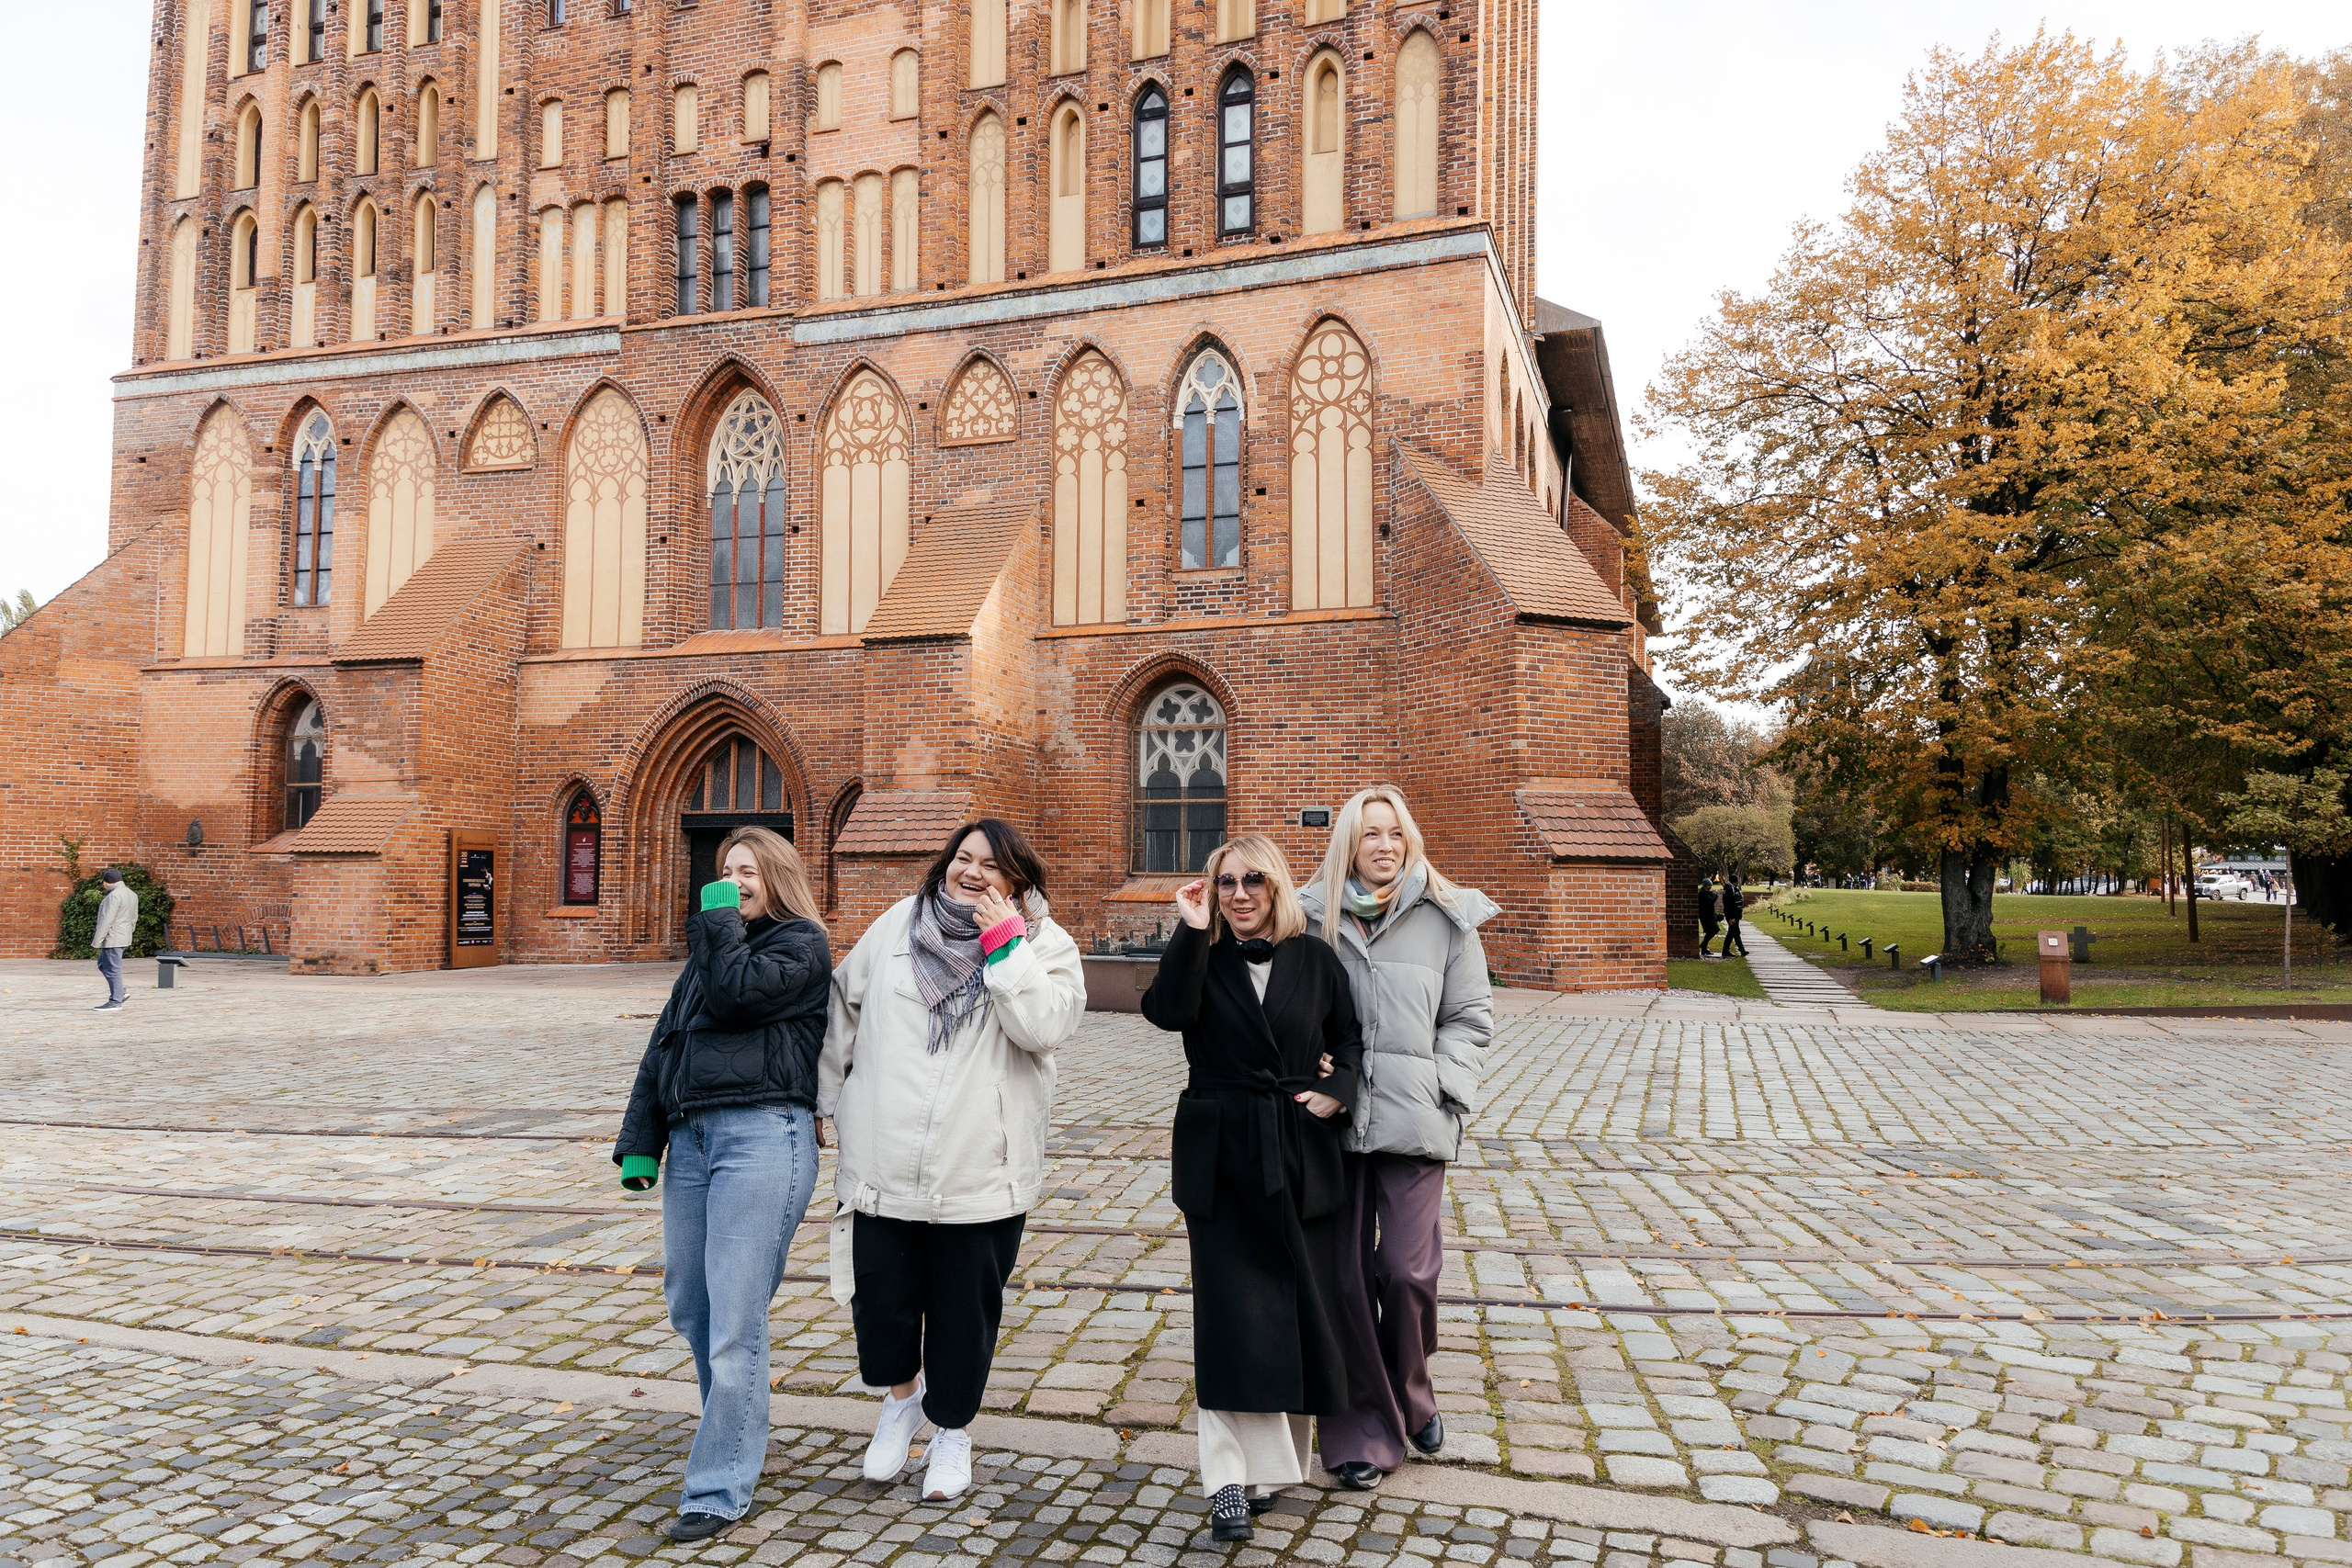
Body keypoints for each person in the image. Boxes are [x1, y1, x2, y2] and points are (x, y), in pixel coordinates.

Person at [819, 818, 1087, 1504]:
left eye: (991, 865)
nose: (972, 872)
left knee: (964, 1315)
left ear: (1016, 880)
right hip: (882, 1155)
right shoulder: (898, 925)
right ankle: (901, 1402)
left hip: (979, 1167)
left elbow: (1044, 1027)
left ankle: (951, 1431)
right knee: (881, 1303)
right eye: (963, 858)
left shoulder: (1046, 945)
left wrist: (1006, 947)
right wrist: (825, 1098)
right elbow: (842, 1008)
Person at [612, 827, 833, 1543]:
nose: (735, 881)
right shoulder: (710, 950)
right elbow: (666, 1044)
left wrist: (717, 925)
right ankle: (733, 1430)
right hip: (692, 1141)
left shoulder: (800, 943)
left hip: (763, 1135)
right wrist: (641, 1141)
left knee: (736, 1315)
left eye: (749, 871)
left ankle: (718, 1484)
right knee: (692, 1302)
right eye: (726, 869)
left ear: (778, 877)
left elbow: (738, 998)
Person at [1141, 833, 1363, 1542]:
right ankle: (1226, 1480)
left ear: (1277, 886)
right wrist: (1189, 927)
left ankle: (1270, 1470)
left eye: (1253, 880)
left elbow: (1349, 1039)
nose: (1239, 894)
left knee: (1289, 1313)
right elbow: (1165, 1010)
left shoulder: (1316, 959)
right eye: (1226, 882)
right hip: (1221, 1154)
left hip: (1297, 1149)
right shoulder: (1200, 954)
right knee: (1228, 1316)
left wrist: (1337, 1089)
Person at [1301, 787, 1497, 1491]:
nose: (1384, 845)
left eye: (1394, 833)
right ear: (1348, 845)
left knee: (1407, 1272)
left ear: (1409, 839)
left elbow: (1470, 1015)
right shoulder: (1312, 916)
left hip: (1416, 1116)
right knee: (1346, 1280)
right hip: (1336, 1120)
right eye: (1369, 834)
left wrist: (1447, 1086)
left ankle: (1411, 1390)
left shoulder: (1447, 915)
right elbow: (1291, 1006)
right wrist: (1310, 1063)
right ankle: (1361, 1429)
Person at [92, 868, 138, 1011]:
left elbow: (107, 919)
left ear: (108, 882)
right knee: (103, 964)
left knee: (112, 969)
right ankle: (120, 992)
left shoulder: (113, 896)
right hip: (122, 936)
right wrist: (128, 932)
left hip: (113, 937)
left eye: (104, 881)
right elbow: (134, 917)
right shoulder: (131, 894)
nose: (103, 884)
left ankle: (115, 1001)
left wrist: (97, 940)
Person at [1720, 876, 1748, 957]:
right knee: (1735, 932)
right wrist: (1731, 917)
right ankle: (1741, 950)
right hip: (1732, 915)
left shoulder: (1735, 889)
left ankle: (1726, 950)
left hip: (1736, 914)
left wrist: (1739, 914)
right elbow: (1729, 905)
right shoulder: (1730, 890)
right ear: (1736, 881)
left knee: (1733, 932)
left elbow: (1738, 902)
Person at [1696, 874, 1722, 957]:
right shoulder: (1703, 894)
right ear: (1704, 886)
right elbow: (1711, 900)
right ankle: (1703, 945)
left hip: (1709, 914)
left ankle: (1704, 948)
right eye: (1708, 886)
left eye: (1710, 885)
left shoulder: (1707, 893)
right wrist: (1715, 895)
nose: (1710, 887)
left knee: (1710, 931)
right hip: (1706, 915)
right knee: (1714, 929)